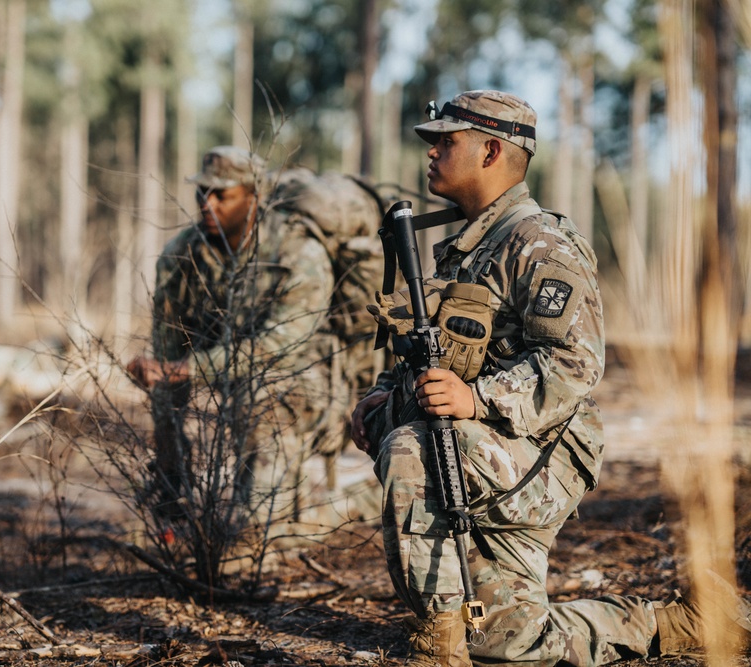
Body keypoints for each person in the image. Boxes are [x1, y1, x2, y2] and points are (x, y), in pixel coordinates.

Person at [350, 90, 751, 666]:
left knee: (411, 449)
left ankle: (438, 650)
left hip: (542, 452)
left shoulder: (538, 244)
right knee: (508, 643)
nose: (432, 152)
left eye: (446, 141)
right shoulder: (465, 249)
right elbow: (431, 352)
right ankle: (684, 623)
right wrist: (381, 395)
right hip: (480, 449)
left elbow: (575, 364)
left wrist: (475, 397)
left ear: (491, 151)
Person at [127, 146, 335, 530]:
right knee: (166, 394)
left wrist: (187, 368)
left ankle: (262, 529)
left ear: (253, 198)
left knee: (263, 396)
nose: (207, 203)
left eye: (222, 194)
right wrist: (171, 468)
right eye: (201, 192)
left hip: (302, 380)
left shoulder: (297, 252)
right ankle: (178, 506)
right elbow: (169, 349)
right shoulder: (182, 256)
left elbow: (278, 348)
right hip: (225, 374)